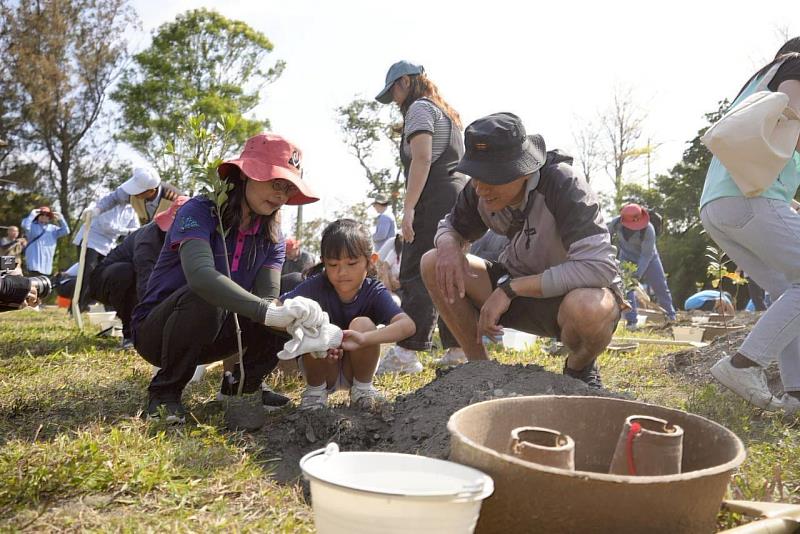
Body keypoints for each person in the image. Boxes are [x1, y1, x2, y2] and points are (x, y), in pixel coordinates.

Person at [420, 113, 624, 388]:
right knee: (433, 262)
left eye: (491, 177)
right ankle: (479, 367)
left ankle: (579, 368)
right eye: (476, 176)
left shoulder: (563, 184)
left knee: (589, 309)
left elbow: (599, 267)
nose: (480, 189)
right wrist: (447, 245)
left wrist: (510, 289)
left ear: (523, 169)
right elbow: (450, 226)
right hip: (515, 290)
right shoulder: (479, 190)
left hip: (568, 298)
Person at [130, 133, 323, 423]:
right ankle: (164, 395)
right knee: (208, 296)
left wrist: (288, 314)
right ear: (246, 175)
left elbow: (268, 297)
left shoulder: (272, 237)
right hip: (161, 331)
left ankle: (241, 387)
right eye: (274, 181)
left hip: (221, 332)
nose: (281, 194)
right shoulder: (199, 210)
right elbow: (200, 276)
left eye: (287, 187)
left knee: (291, 303)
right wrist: (266, 311)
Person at [700, 37, 800, 414]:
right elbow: (793, 117)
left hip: (720, 206)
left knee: (789, 291)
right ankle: (745, 364)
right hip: (749, 201)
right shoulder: (796, 68)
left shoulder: (758, 85)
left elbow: (769, 173)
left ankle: (796, 395)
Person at [374, 60, 466, 373]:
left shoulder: (419, 109)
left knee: (416, 271)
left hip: (434, 198)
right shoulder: (447, 112)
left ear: (405, 82)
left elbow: (423, 158)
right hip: (457, 196)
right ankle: (457, 348)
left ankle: (405, 353)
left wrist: (409, 208)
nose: (395, 101)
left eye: (394, 92)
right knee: (449, 271)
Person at [279, 219, 415, 410]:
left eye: (351, 263)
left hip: (357, 369)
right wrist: (315, 335)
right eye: (333, 265)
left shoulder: (373, 291)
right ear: (323, 262)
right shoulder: (316, 285)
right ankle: (315, 393)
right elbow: (277, 307)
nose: (342, 272)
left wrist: (364, 338)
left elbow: (407, 326)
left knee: (363, 324)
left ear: (371, 261)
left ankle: (363, 389)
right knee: (311, 323)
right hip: (322, 369)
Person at [88, 196, 189, 348]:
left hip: (133, 279)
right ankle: (132, 333)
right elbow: (146, 286)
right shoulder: (148, 240)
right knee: (126, 273)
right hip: (106, 281)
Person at [608, 203, 677, 328]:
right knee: (626, 288)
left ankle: (671, 317)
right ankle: (632, 322)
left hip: (650, 259)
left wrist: (637, 275)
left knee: (660, 287)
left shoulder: (648, 229)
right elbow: (606, 239)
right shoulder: (615, 223)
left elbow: (646, 256)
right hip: (626, 259)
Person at [73, 203, 139, 312]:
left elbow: (135, 229)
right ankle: (77, 307)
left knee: (105, 276)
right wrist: (127, 231)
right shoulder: (110, 202)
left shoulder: (132, 210)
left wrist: (130, 232)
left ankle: (101, 307)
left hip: (108, 245)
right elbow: (106, 225)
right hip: (90, 241)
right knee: (87, 274)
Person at [86, 167, 183, 225]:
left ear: (151, 191)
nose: (133, 194)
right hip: (147, 235)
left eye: (138, 191)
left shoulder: (175, 198)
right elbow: (114, 198)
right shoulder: (130, 194)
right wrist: (97, 210)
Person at [20, 206, 70, 276]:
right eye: (42, 214)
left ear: (49, 217)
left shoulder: (53, 228)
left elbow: (66, 231)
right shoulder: (32, 225)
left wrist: (61, 219)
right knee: (32, 285)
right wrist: (31, 215)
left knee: (43, 286)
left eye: (47, 215)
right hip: (33, 265)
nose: (44, 216)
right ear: (38, 216)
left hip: (46, 268)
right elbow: (25, 225)